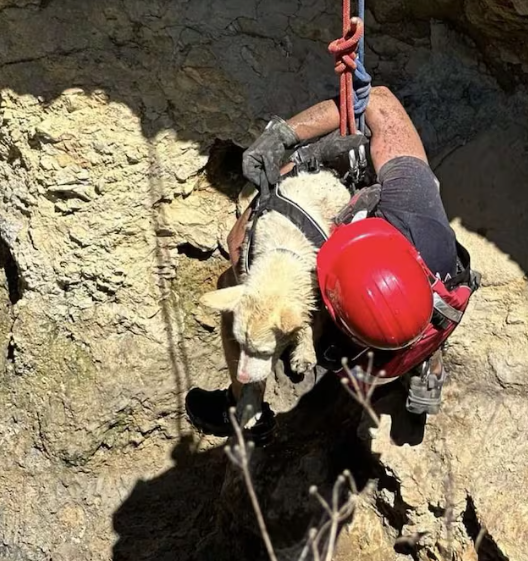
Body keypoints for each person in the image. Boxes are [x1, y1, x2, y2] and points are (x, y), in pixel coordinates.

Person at [185, 86, 469, 441]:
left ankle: (246, 405)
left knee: (239, 284)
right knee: (425, 305)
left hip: (358, 360)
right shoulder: (417, 218)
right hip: (437, 312)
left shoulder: (329, 320)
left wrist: (287, 145)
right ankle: (428, 371)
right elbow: (382, 105)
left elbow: (375, 98)